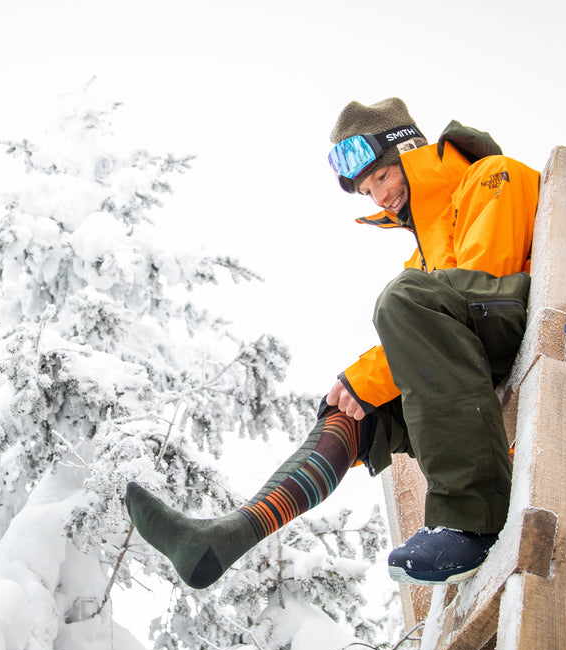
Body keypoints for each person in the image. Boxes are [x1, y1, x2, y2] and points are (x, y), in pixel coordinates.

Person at [125, 97, 540, 588]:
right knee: (354, 412)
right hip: (471, 354)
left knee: (401, 304)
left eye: (382, 178)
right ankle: (229, 534)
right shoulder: (422, 260)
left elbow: (483, 283)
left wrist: (369, 376)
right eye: (367, 191)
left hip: (519, 317)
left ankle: (471, 521)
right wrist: (357, 388)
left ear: (408, 152)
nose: (379, 198)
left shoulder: (491, 175)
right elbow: (432, 317)